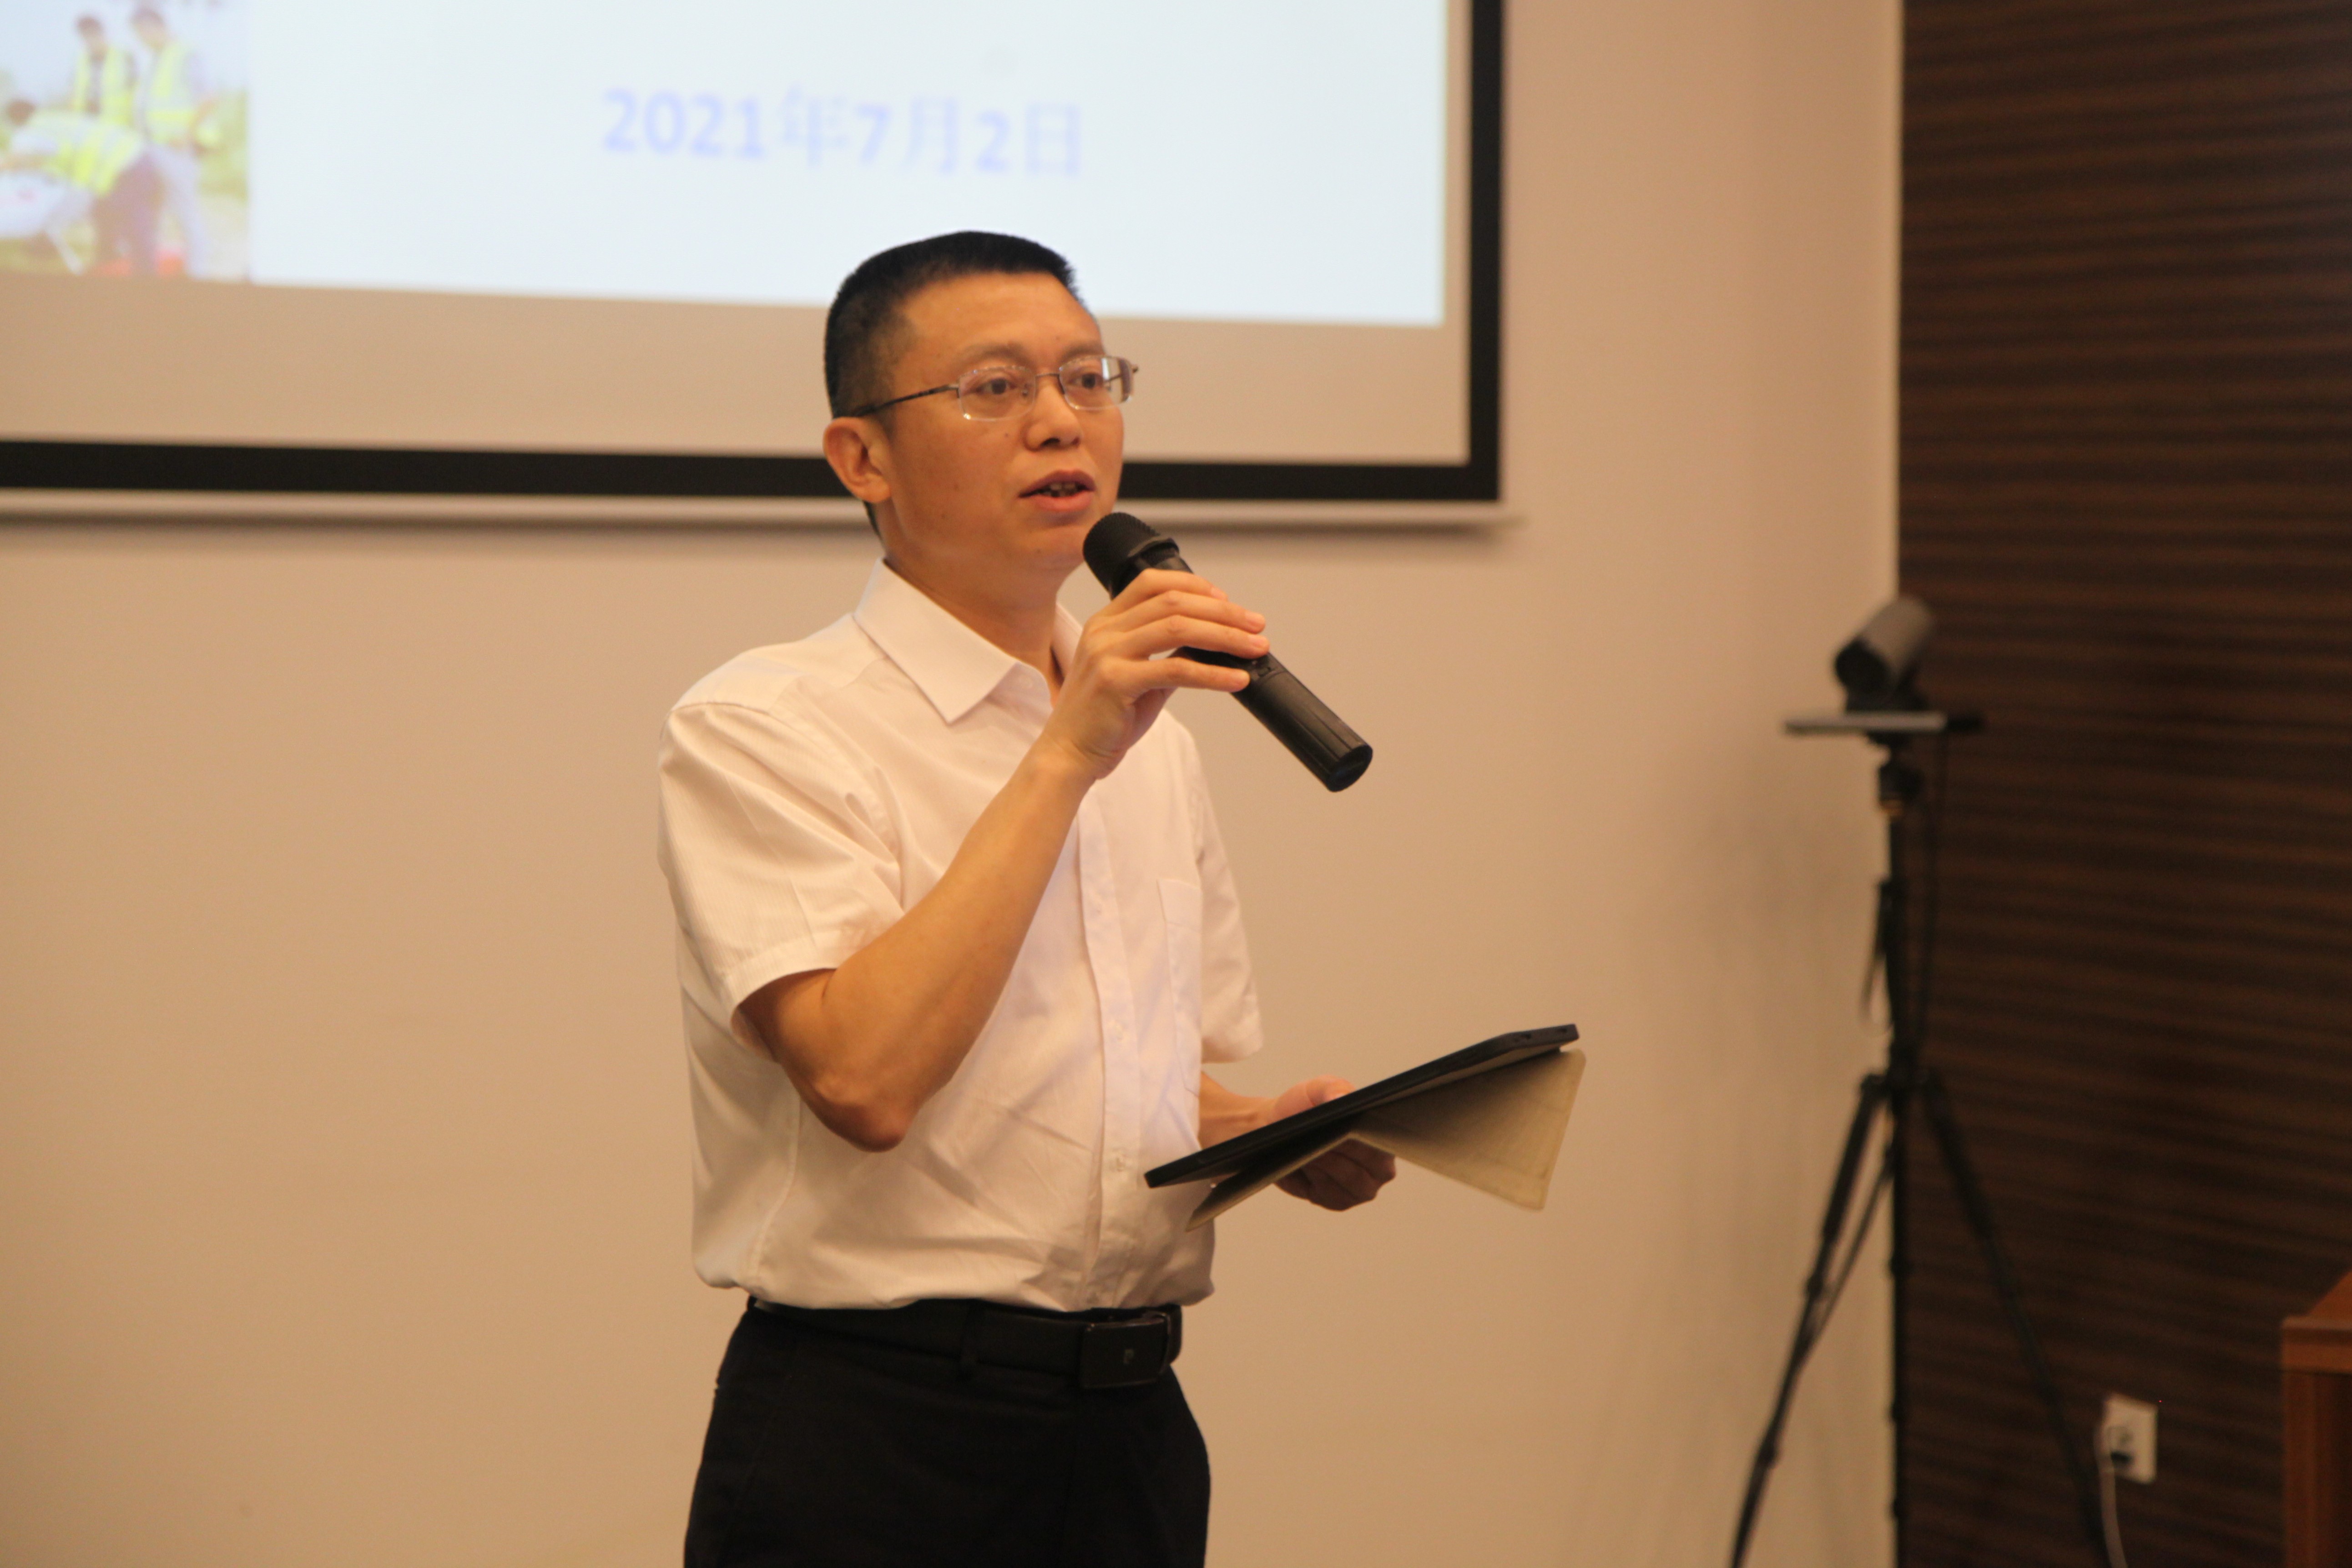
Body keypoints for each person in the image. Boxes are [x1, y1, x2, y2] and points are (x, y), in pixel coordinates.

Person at [655, 230, 1396, 1568]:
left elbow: (1109, 1077)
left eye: (1087, 379)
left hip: (1128, 1431)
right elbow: (862, 1080)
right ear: (861, 459)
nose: (1059, 420)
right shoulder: (766, 725)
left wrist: (1268, 1132)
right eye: (993, 389)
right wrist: (1065, 753)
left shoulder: (1152, 742)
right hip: (881, 1437)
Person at [2, 98, 160, 275]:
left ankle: (144, 274)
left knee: (133, 218)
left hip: (125, 164)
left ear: (15, 120)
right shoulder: (56, 120)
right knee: (104, 212)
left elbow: (13, 160)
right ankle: (109, 260)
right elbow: (47, 156)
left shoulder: (34, 130)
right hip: (133, 154)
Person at [130, 4, 212, 278]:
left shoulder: (186, 53)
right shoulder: (156, 58)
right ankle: (154, 268)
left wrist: (186, 134)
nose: (140, 39)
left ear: (154, 27)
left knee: (185, 209)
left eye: (141, 32)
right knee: (154, 209)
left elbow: (209, 97)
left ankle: (197, 272)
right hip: (153, 146)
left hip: (176, 148)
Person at [66, 14, 136, 128]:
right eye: (85, 36)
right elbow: (74, 96)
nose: (91, 40)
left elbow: (137, 94)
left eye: (93, 34)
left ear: (102, 32)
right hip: (87, 128)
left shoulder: (124, 57)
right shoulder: (81, 62)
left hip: (119, 128)